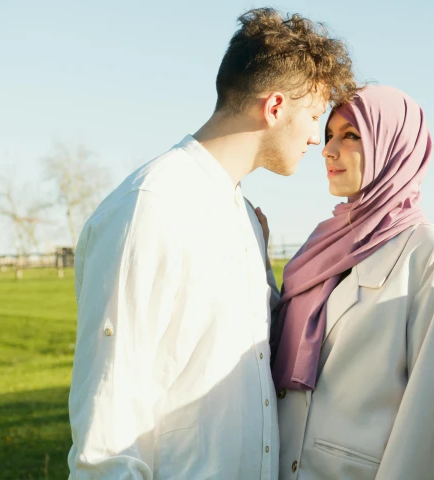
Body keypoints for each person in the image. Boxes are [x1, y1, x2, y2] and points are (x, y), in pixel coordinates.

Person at [67, 8, 356, 479]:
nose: (314, 140)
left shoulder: (242, 215)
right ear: (276, 107)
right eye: (314, 117)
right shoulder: (151, 208)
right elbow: (106, 428)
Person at [269, 85, 434, 479]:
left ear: (394, 146)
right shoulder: (321, 244)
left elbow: (427, 411)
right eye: (328, 135)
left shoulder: (430, 252)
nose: (328, 150)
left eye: (351, 135)